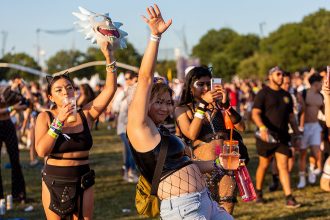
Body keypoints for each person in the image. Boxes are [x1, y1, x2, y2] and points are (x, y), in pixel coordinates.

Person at [126, 4, 232, 219]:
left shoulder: (160, 130)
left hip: (205, 201)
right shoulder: (139, 127)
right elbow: (145, 78)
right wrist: (155, 37)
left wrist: (219, 164)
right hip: (184, 208)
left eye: (168, 102)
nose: (165, 107)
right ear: (145, 103)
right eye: (158, 102)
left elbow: (185, 164)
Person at [35, 40, 117, 219]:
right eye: (59, 90)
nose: (65, 92)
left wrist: (109, 57)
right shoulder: (45, 117)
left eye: (69, 87)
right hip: (54, 180)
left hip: (83, 179)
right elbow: (41, 150)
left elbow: (110, 89)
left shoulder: (86, 114)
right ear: (51, 97)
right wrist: (59, 121)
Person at [175, 66, 248, 214]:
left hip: (227, 162)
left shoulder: (219, 106)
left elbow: (241, 126)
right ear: (190, 87)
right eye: (200, 84)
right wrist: (202, 104)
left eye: (209, 84)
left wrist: (226, 105)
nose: (206, 88)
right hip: (203, 167)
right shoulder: (183, 109)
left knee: (226, 207)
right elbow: (191, 134)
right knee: (205, 208)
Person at [252, 66, 301, 208]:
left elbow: (291, 117)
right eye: (278, 74)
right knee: (264, 165)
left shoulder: (286, 95)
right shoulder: (263, 93)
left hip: (283, 137)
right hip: (266, 137)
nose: (281, 77)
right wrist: (262, 128)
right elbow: (255, 113)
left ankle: (289, 197)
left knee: (283, 167)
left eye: (282, 74)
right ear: (270, 76)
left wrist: (297, 132)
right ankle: (259, 192)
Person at [297, 73, 324, 188]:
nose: (322, 85)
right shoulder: (304, 93)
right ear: (316, 83)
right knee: (303, 153)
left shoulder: (321, 96)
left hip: (315, 126)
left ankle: (311, 169)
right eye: (321, 82)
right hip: (304, 127)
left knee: (316, 151)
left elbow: (324, 110)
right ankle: (302, 177)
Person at [0, 91, 27, 203]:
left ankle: (18, 194)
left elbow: (25, 105)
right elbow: (12, 108)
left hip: (8, 125)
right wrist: (12, 108)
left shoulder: (6, 91)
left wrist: (19, 93)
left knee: (15, 160)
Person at [111, 71, 138, 182]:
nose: (128, 80)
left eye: (130, 78)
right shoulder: (124, 93)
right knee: (132, 150)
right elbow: (116, 109)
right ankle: (131, 172)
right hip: (124, 128)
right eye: (126, 78)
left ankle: (126, 172)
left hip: (131, 128)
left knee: (128, 151)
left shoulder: (136, 93)